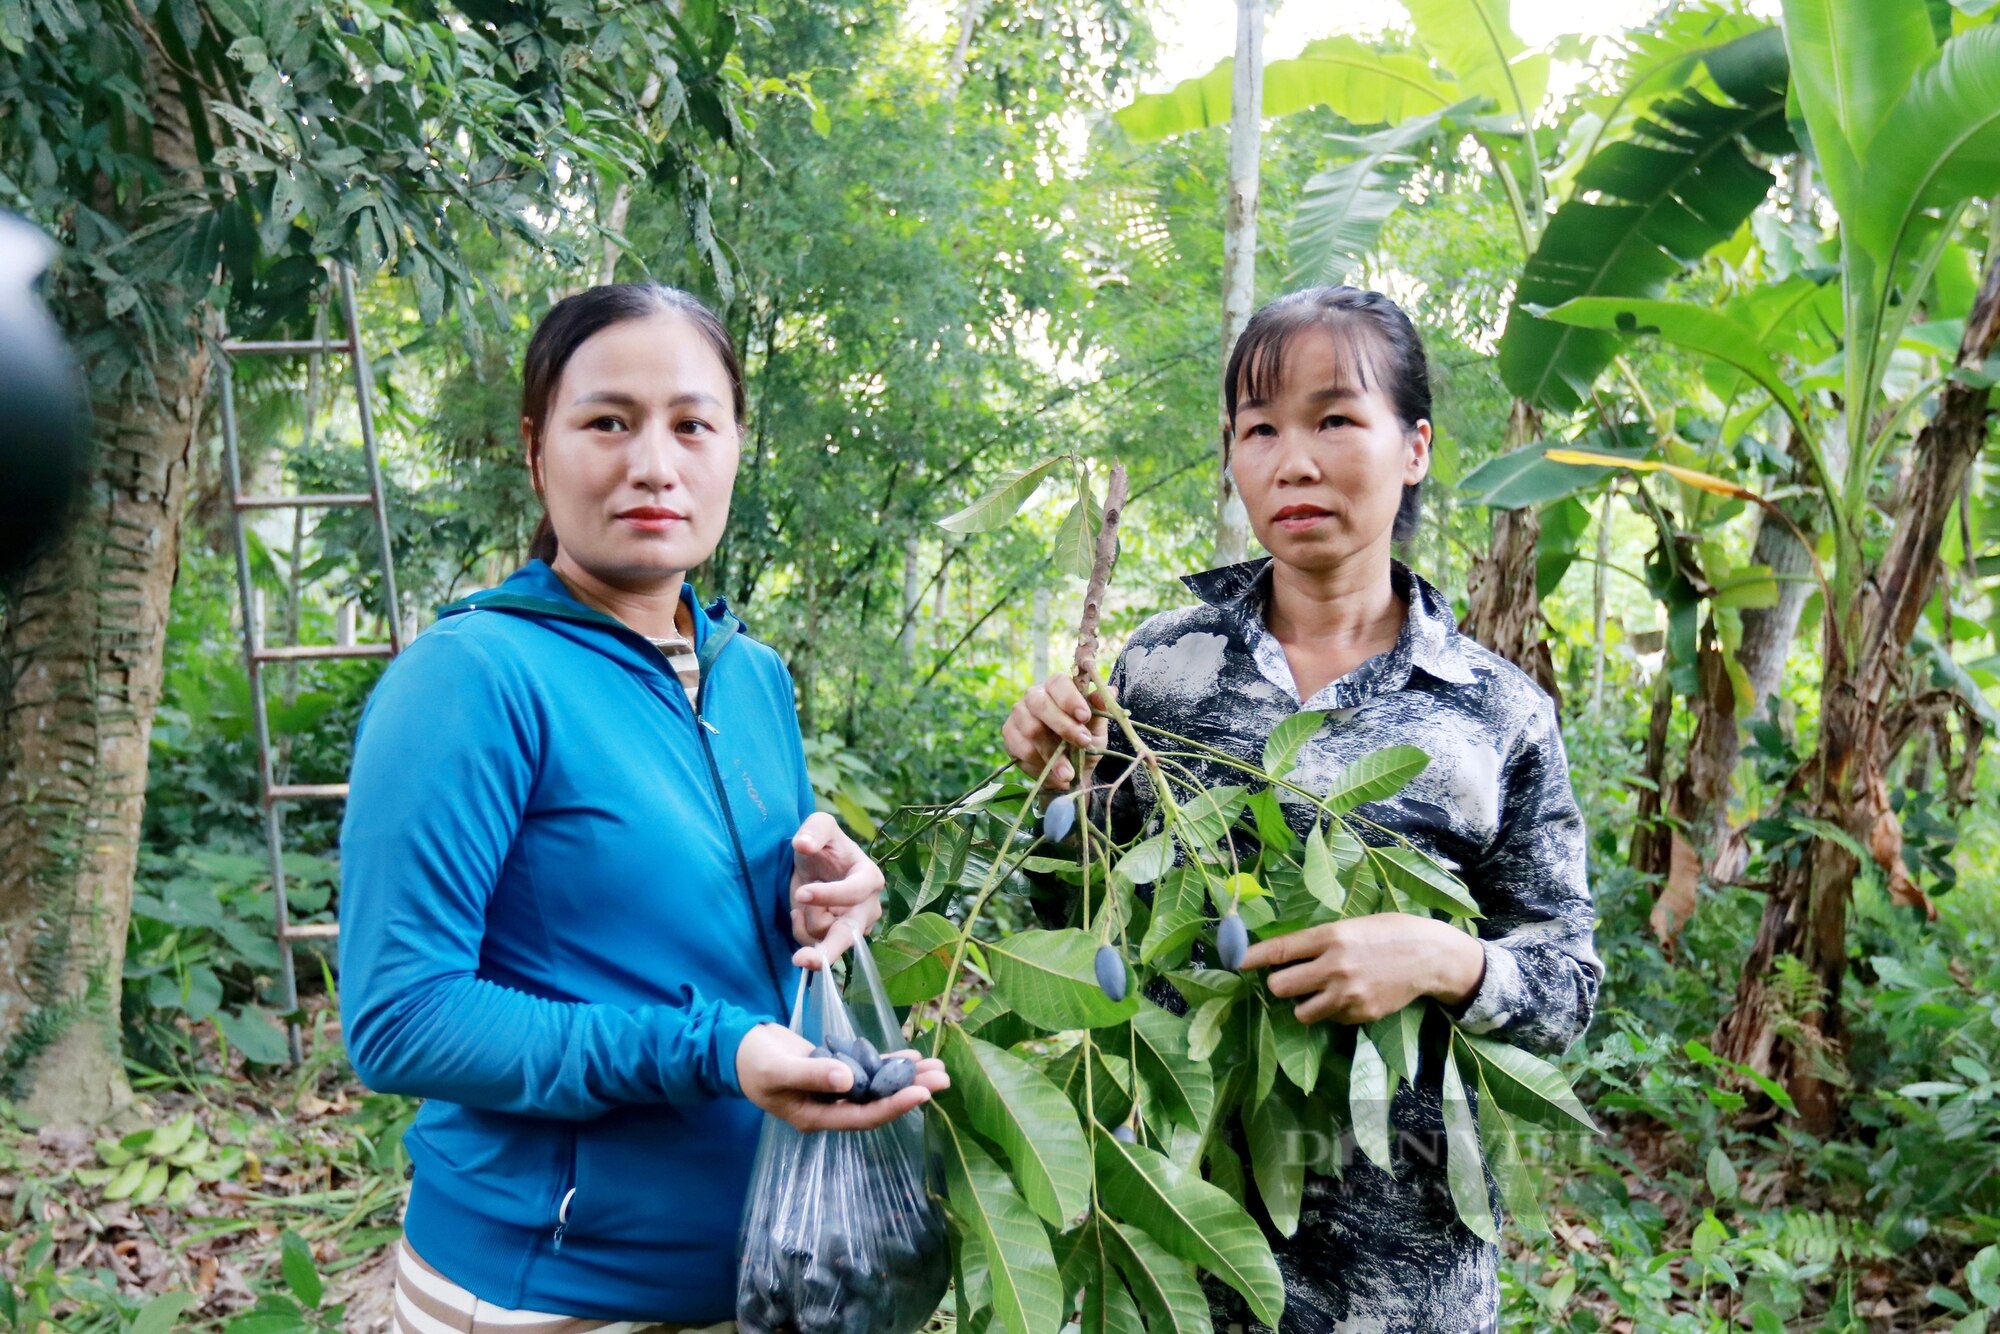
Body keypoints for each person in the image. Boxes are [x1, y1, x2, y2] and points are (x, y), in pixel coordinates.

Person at [339, 283, 948, 1334]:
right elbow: (404, 1019)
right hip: (548, 1294)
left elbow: (717, 927)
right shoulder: (472, 677)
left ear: (734, 446)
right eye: (608, 421)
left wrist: (826, 899)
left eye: (690, 424)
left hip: (763, 1274)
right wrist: (713, 1047)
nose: (653, 464)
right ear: (538, 446)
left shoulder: (749, 674)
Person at [1002, 285, 1602, 1333]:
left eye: (1334, 417)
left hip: (1405, 1270)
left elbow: (1564, 987)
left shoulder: (1494, 711)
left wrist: (1440, 957)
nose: (1293, 458)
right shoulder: (1158, 667)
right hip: (1184, 1243)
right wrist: (1055, 788)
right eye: (1258, 427)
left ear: (1412, 447)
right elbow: (1074, 930)